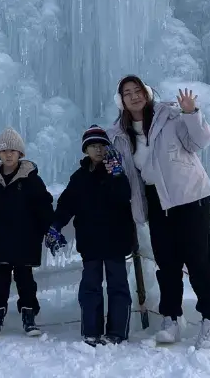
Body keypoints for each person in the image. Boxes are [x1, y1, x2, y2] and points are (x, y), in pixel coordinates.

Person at [109, 75, 210, 349]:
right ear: (121, 101)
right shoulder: (120, 135)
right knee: (167, 264)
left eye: (138, 90)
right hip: (156, 200)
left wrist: (191, 113)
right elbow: (127, 171)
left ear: (147, 93)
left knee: (200, 262)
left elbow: (200, 141)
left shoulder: (170, 117)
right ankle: (172, 318)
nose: (134, 96)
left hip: (190, 196)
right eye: (127, 93)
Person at [45, 125, 135, 346]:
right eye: (93, 146)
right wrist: (55, 226)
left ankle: (117, 332)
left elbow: (125, 197)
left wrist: (117, 175)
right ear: (85, 150)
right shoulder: (79, 178)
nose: (98, 149)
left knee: (118, 287)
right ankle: (91, 331)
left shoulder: (117, 172)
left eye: (102, 145)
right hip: (90, 241)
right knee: (90, 287)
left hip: (116, 240)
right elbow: (66, 205)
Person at [0, 127, 54, 338]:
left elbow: (43, 206)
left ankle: (29, 315)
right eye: (4, 151)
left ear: (20, 153)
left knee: (26, 280)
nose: (9, 155)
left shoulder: (32, 179)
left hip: (26, 239)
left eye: (13, 151)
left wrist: (50, 229)